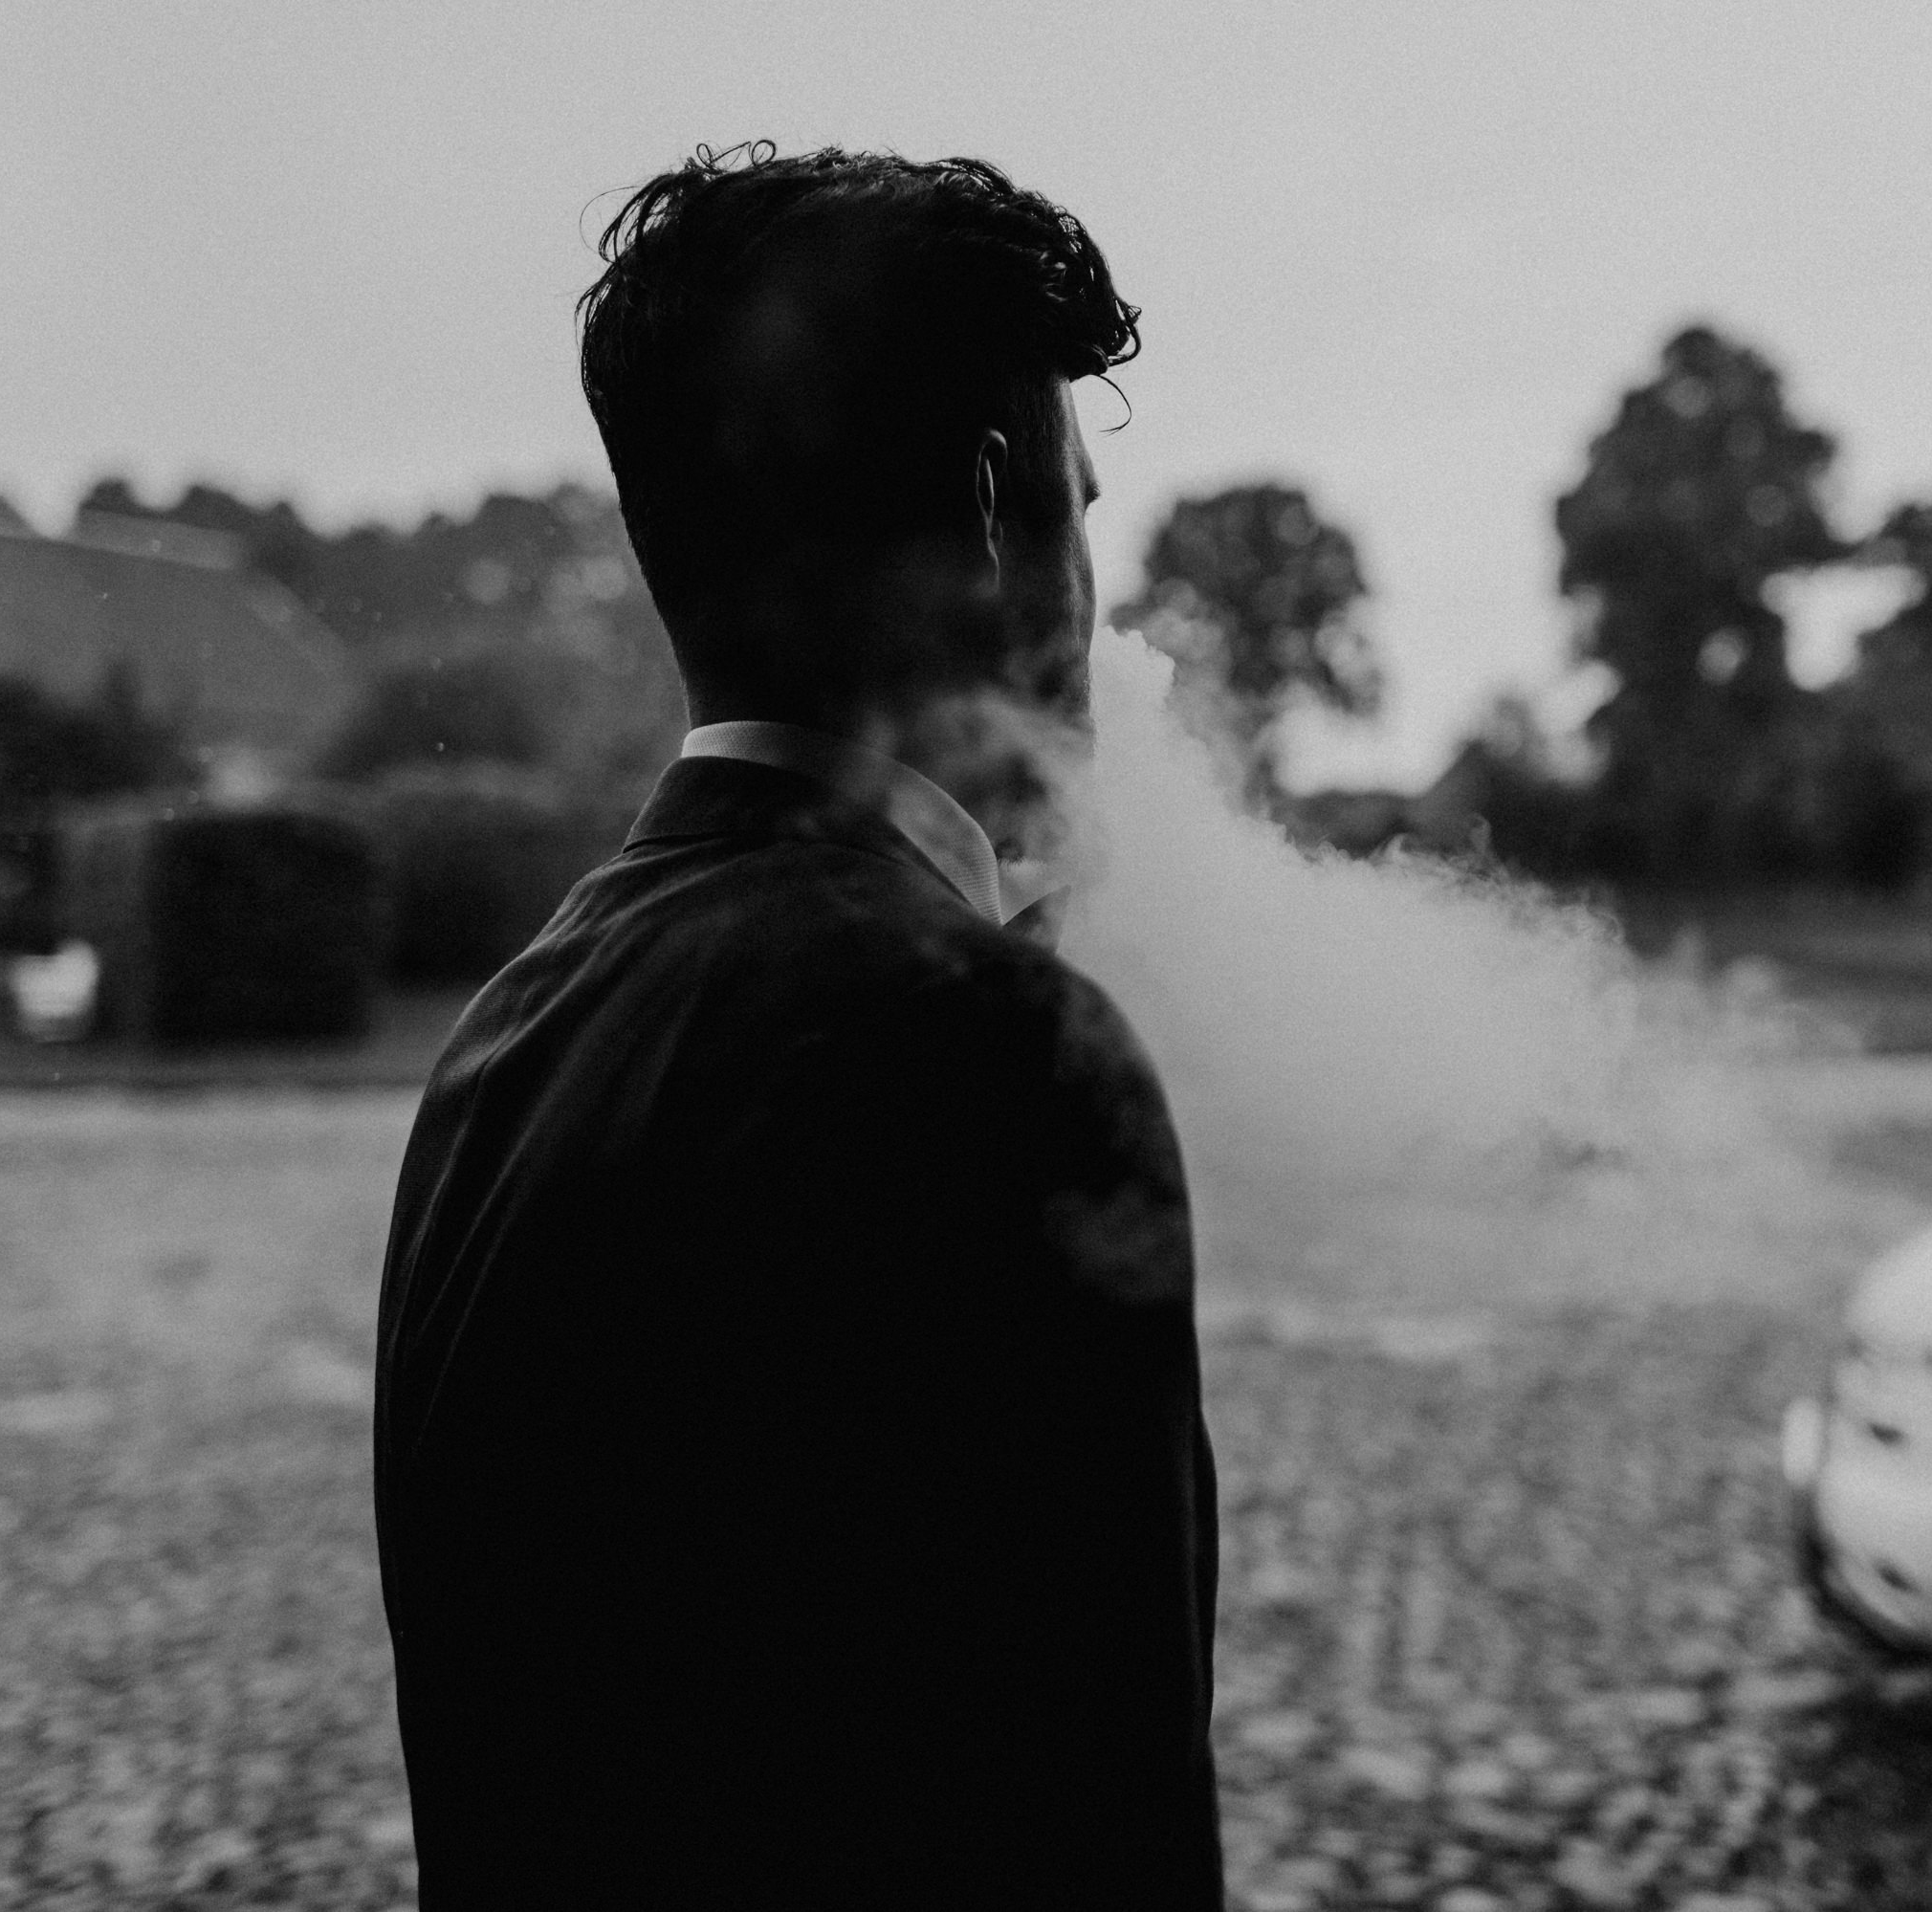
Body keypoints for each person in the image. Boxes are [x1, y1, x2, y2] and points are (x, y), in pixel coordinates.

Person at [372, 144, 1221, 1907]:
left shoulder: (510, 1031)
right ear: (995, 515)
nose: (1098, 608)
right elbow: (1099, 1811)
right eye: (1076, 504)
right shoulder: (991, 1055)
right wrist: (1015, 1006)